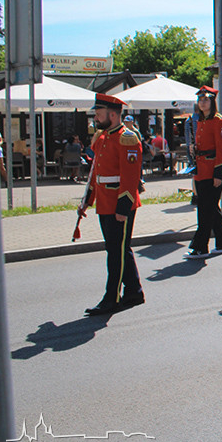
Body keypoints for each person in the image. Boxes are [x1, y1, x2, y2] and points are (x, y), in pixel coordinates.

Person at [77, 94, 145, 316]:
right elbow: (95, 173)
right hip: (104, 202)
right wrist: (87, 201)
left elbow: (130, 177)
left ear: (113, 115)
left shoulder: (128, 139)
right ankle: (134, 291)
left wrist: (123, 208)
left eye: (99, 114)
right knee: (118, 249)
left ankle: (111, 298)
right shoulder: (102, 138)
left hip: (119, 203)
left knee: (115, 252)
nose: (95, 118)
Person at [186, 86, 222, 259]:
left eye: (205, 99)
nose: (202, 102)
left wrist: (218, 173)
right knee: (209, 207)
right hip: (201, 169)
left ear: (212, 101)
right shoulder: (200, 121)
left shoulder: (220, 121)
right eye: (200, 99)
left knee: (205, 210)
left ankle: (200, 246)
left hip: (213, 169)